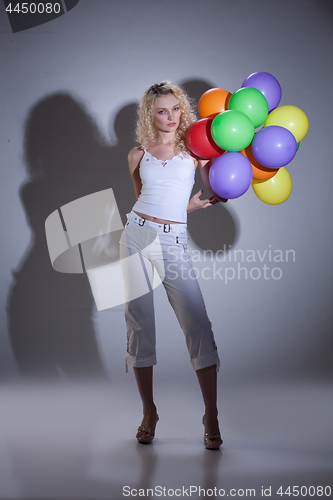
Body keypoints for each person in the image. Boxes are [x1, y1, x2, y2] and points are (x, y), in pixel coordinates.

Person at [119, 81, 226, 450]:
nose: (169, 117)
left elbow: (223, 180)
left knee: (197, 323)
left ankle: (210, 414)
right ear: (150, 114)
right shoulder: (137, 154)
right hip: (135, 235)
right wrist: (184, 207)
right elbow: (145, 199)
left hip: (173, 241)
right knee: (139, 323)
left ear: (183, 110)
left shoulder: (195, 152)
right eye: (161, 111)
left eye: (175, 109)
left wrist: (192, 208)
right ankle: (149, 412)